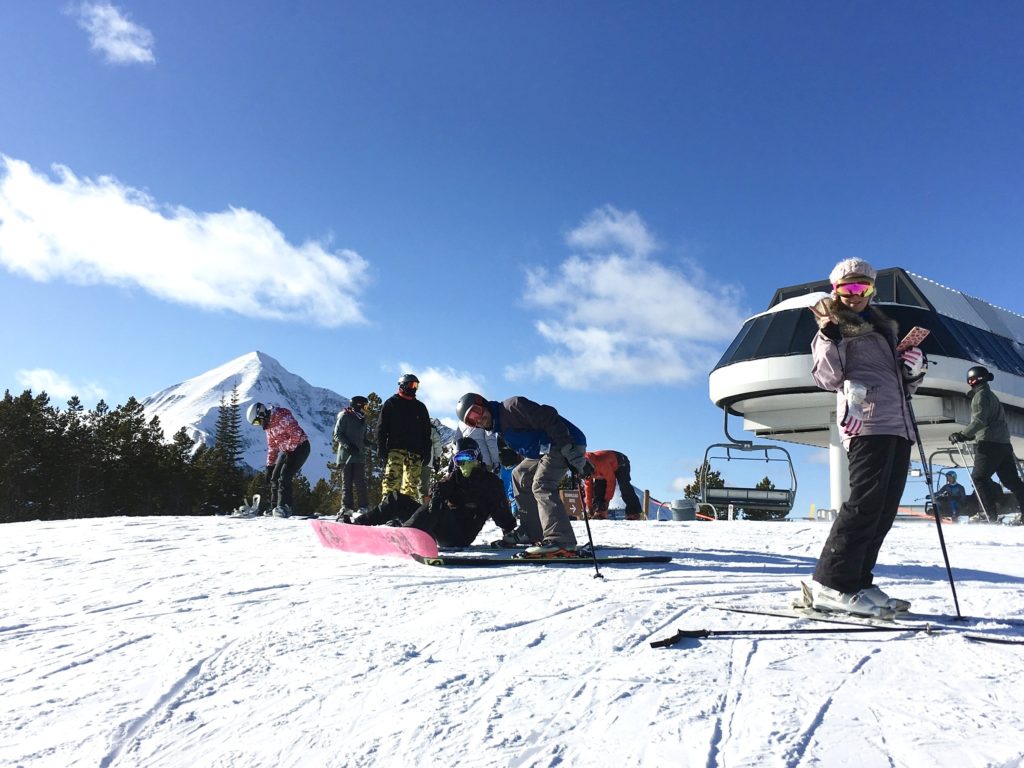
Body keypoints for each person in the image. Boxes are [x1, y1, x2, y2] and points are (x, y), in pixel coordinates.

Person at [804, 258, 927, 617]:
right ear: (836, 290)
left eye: (863, 288)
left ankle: (858, 580)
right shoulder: (833, 328)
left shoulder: (883, 329)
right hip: (866, 423)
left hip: (899, 424)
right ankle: (832, 583)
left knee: (884, 510)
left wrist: (912, 370)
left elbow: (902, 385)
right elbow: (826, 378)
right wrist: (829, 338)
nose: (855, 295)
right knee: (864, 506)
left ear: (872, 290)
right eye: (848, 288)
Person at [456, 392, 590, 557]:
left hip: (565, 442)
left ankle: (561, 540)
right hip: (546, 450)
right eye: (471, 421)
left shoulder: (512, 407)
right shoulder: (501, 429)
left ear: (482, 403)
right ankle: (532, 531)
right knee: (519, 474)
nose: (478, 420)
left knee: (542, 484)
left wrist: (569, 449)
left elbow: (549, 417)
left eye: (476, 412)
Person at [353, 437, 517, 547]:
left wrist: (509, 533)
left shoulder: (490, 482)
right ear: (455, 462)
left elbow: (500, 511)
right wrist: (437, 494)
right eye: (460, 460)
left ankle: (407, 537)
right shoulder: (455, 478)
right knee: (396, 499)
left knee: (437, 506)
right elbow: (441, 487)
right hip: (441, 526)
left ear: (478, 458)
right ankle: (357, 526)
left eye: (469, 457)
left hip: (460, 536)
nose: (465, 463)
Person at [949, 365, 1024, 522]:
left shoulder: (981, 396)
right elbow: (989, 421)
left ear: (972, 380)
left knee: (979, 478)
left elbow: (980, 420)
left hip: (989, 444)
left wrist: (962, 435)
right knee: (1011, 480)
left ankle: (989, 514)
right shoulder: (991, 395)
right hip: (1003, 444)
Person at [246, 401, 311, 518]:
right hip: (287, 450)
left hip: (300, 447)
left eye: (257, 421)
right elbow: (272, 446)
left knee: (284, 476)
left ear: (261, 413)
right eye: (255, 424)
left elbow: (296, 433)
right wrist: (269, 466)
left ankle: (285, 507)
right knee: (274, 477)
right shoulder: (268, 426)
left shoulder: (281, 416)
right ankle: (275, 507)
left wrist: (289, 452)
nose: (259, 424)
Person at [376, 374, 432, 499]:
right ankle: (388, 509)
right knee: (391, 481)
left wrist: (427, 451)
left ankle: (405, 511)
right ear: (403, 385)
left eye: (416, 385)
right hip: (396, 450)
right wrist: (381, 447)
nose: (414, 388)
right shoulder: (391, 403)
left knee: (411, 486)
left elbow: (426, 433)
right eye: (412, 385)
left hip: (415, 452)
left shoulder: (420, 407)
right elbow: (381, 428)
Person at [332, 396, 369, 521]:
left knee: (360, 482)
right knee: (347, 483)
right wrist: (348, 445)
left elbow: (363, 440)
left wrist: (377, 447)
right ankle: (346, 507)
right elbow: (337, 434)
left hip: (359, 456)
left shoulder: (362, 419)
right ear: (358, 405)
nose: (366, 409)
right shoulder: (345, 416)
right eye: (365, 406)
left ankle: (364, 507)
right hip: (346, 456)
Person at [583, 450, 644, 520]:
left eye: (591, 475)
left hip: (621, 462)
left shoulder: (602, 464)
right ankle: (599, 512)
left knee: (624, 485)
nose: (591, 476)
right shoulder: (584, 468)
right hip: (603, 467)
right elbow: (588, 487)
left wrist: (607, 500)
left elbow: (611, 482)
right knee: (598, 487)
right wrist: (589, 506)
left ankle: (634, 512)